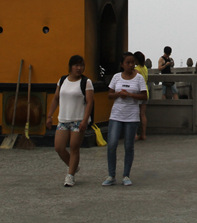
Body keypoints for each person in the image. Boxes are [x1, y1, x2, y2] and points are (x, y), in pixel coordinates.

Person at [46, 54, 94, 187]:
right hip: (63, 119)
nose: (79, 68)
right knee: (59, 147)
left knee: (74, 147)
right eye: (76, 65)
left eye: (81, 65)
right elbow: (56, 98)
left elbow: (90, 102)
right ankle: (73, 165)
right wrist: (49, 115)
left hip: (78, 119)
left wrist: (85, 120)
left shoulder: (86, 82)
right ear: (70, 67)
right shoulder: (62, 80)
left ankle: (70, 175)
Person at [102, 52, 147, 187]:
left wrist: (130, 95)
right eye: (127, 62)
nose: (131, 65)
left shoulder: (138, 78)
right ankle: (111, 175)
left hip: (131, 116)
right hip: (116, 115)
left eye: (132, 62)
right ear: (122, 64)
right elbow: (109, 95)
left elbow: (144, 96)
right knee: (112, 144)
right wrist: (118, 94)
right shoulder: (116, 77)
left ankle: (126, 175)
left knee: (129, 145)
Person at [133, 51, 149, 141]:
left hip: (139, 92)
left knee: (135, 114)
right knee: (143, 114)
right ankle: (143, 134)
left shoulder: (137, 70)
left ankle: (135, 134)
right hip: (146, 91)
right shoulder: (145, 68)